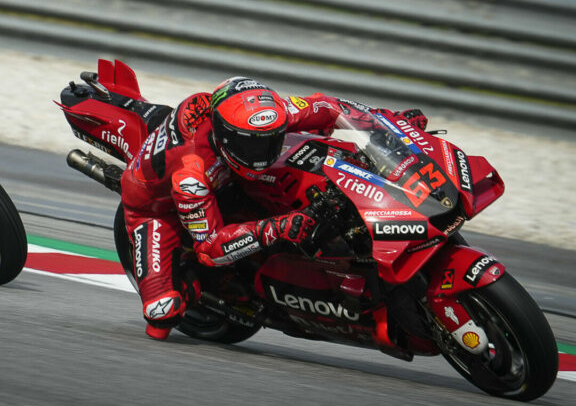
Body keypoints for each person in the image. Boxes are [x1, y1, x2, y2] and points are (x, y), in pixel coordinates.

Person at [119, 76, 428, 340]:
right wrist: (277, 228)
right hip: (156, 208)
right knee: (163, 313)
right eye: (253, 145)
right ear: (225, 136)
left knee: (320, 158)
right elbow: (210, 247)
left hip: (229, 175)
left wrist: (390, 123)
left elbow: (332, 107)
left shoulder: (272, 114)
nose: (264, 152)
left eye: (270, 140)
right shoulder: (192, 176)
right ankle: (190, 286)